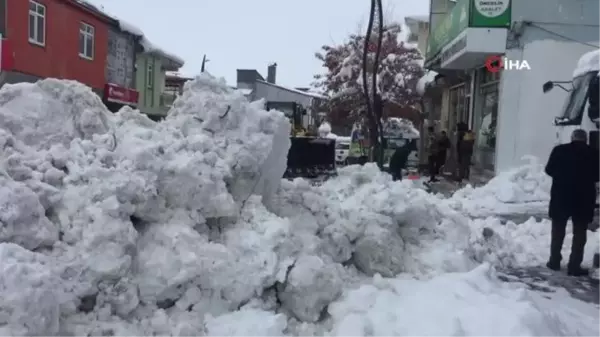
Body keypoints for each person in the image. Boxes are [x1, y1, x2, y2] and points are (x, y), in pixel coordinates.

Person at [545, 129, 600, 276]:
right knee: (580, 233)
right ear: (586, 139)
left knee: (557, 231)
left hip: (561, 196)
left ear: (572, 138)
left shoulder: (559, 150)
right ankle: (574, 265)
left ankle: (554, 261)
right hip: (583, 198)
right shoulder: (594, 153)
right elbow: (598, 175)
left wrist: (562, 176)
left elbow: (549, 170)